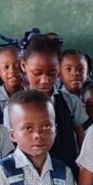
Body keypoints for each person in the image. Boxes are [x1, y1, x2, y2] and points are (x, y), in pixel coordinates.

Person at [17, 34, 88, 170]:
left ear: (59, 68)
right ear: (23, 66)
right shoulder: (16, 107)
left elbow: (81, 140)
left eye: (51, 73)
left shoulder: (70, 101)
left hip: (68, 172)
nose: (45, 80)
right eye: (37, 73)